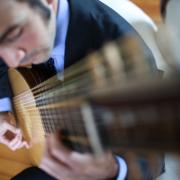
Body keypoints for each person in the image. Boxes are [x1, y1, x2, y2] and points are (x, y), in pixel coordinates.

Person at [0, 0, 161, 179]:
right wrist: (3, 110)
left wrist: (113, 169)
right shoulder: (10, 21)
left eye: (15, 33)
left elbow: (155, 157)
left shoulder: (121, 49)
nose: (12, 62)